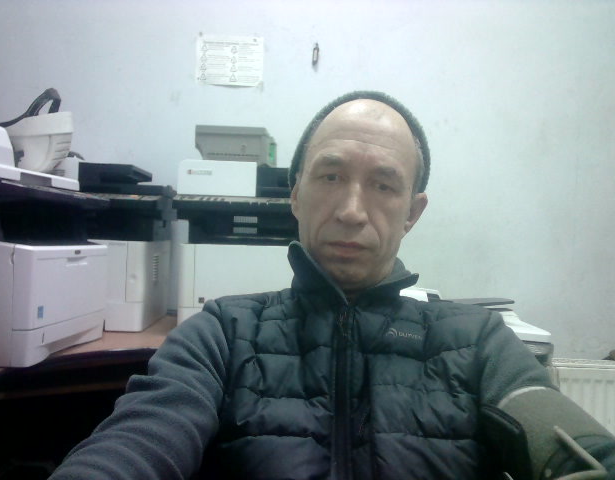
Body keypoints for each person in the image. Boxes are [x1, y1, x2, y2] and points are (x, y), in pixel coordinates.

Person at [48, 91, 615, 480]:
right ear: (295, 194)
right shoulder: (221, 333)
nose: (351, 211)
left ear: (413, 212)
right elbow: (136, 442)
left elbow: (575, 446)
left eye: (384, 186)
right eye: (331, 176)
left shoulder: (479, 342)